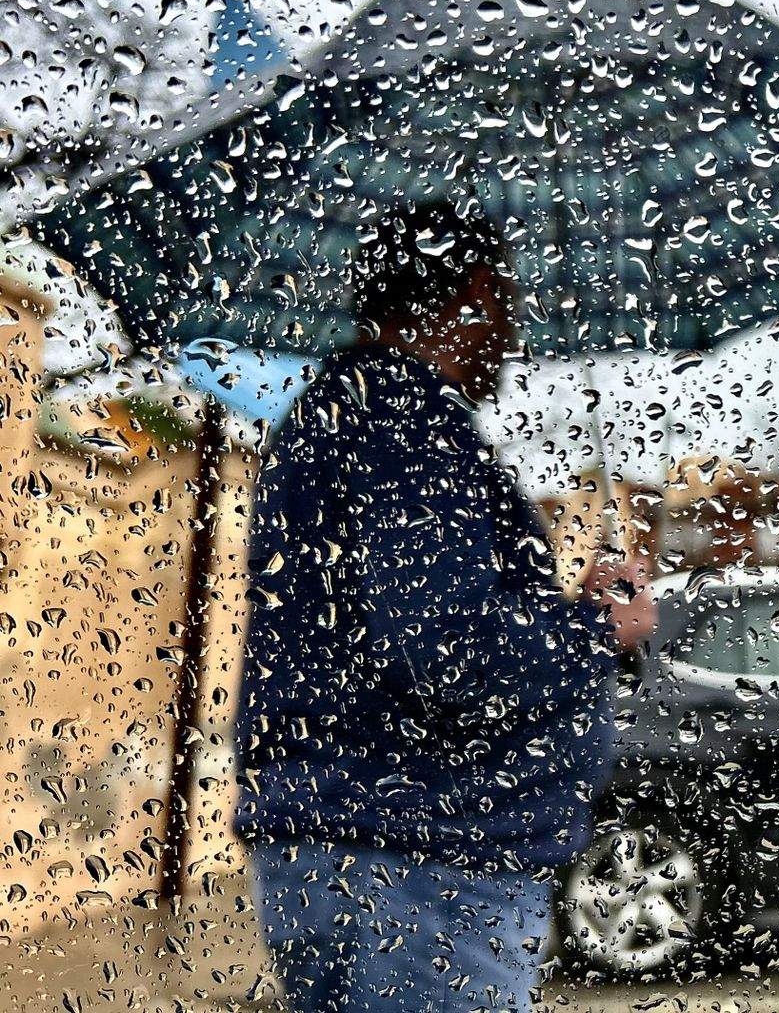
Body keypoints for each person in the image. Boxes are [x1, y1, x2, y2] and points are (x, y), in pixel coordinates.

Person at [237, 200, 653, 1011]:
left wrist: (565, 613)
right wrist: (597, 626)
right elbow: (447, 651)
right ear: (473, 296)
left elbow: (406, 625)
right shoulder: (406, 425)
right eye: (507, 300)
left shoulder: (346, 415)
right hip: (425, 870)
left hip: (370, 851)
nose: (514, 332)